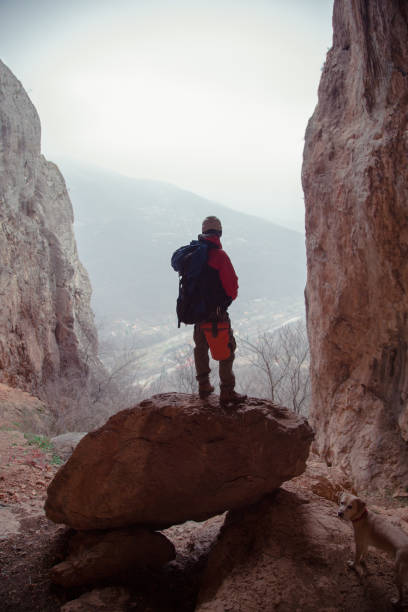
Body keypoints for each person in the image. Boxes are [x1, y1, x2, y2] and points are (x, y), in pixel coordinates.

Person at [193, 215, 246, 406]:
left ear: (203, 231)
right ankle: (227, 391)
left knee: (201, 348)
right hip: (216, 314)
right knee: (226, 350)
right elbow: (232, 287)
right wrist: (224, 302)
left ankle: (204, 386)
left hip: (197, 314)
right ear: (219, 232)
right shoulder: (219, 256)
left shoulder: (193, 254)